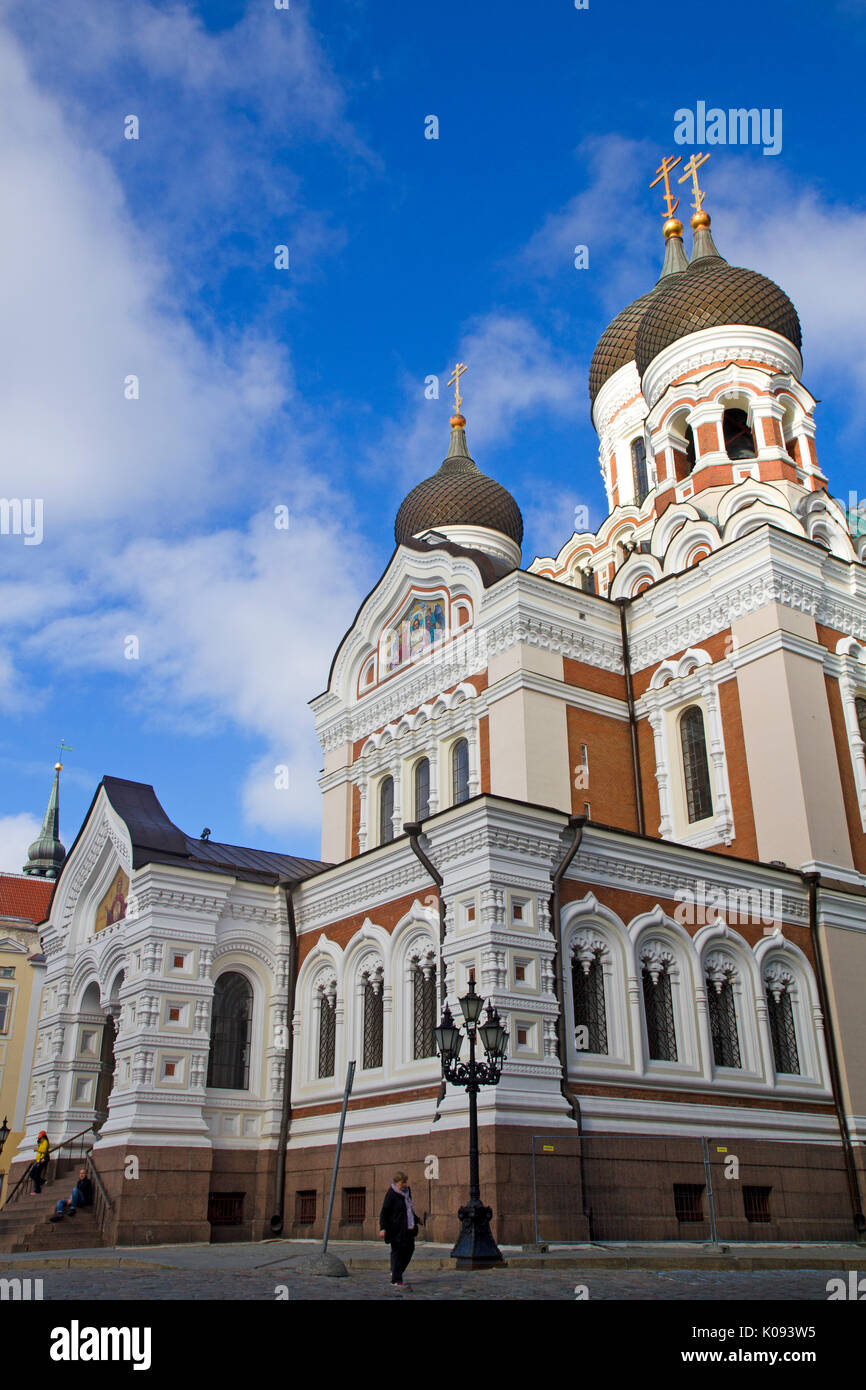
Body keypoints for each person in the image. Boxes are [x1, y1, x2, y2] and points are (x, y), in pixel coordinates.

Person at [379, 1170, 420, 1289]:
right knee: (397, 1252)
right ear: (396, 1183)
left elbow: (409, 1209)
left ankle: (396, 1271)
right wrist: (383, 1228)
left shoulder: (407, 1192)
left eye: (406, 1182)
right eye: (403, 1183)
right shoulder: (391, 1194)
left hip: (408, 1228)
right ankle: (396, 1279)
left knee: (410, 1249)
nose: (405, 1185)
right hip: (395, 1229)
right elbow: (384, 1212)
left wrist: (417, 1219)